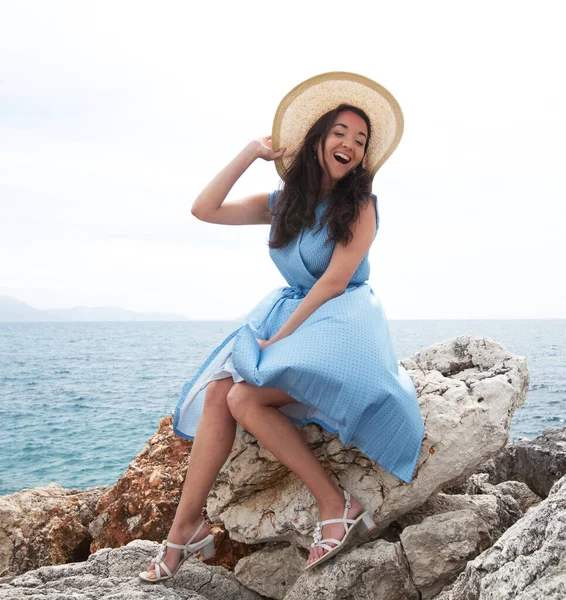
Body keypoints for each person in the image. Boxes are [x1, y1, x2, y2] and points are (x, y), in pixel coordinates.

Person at [139, 72, 425, 582]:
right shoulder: (281, 205)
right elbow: (203, 209)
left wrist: (281, 338)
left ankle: (333, 503)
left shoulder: (361, 206)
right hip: (294, 313)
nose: (351, 145)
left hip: (342, 322)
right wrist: (251, 151)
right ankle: (186, 529)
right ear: (318, 138)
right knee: (224, 395)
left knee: (242, 393)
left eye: (361, 140)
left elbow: (335, 283)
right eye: (341, 132)